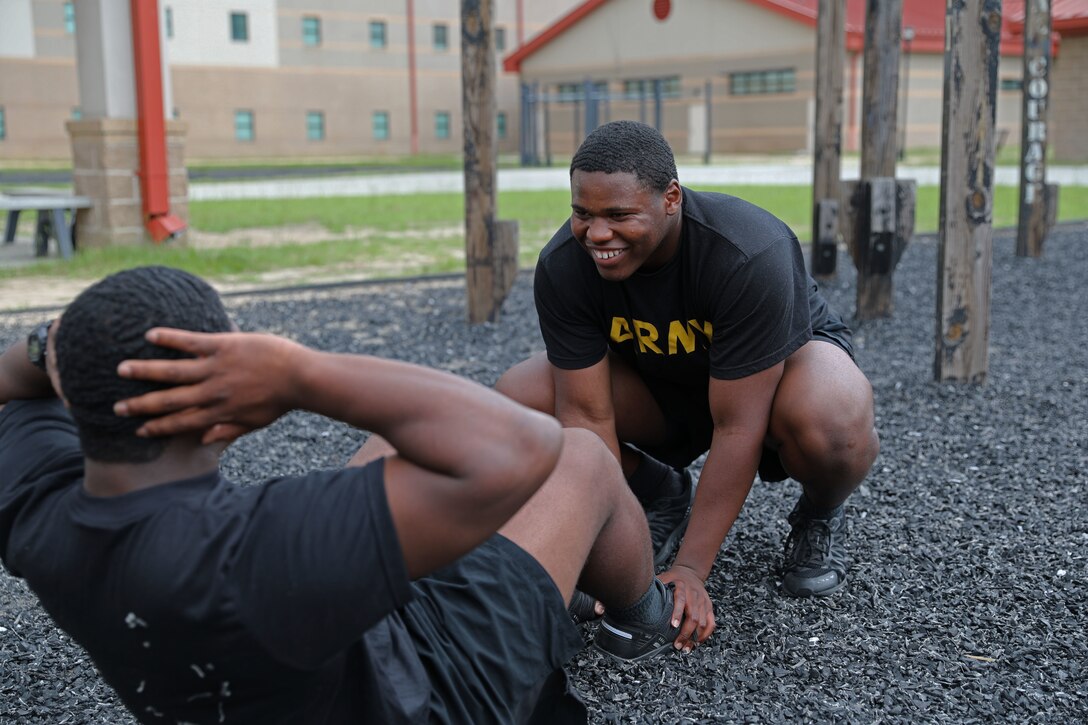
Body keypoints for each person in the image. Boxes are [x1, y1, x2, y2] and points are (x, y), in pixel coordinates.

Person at [0, 266, 701, 725]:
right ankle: (637, 617)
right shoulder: (256, 547)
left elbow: (10, 384)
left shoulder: (41, 510)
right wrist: (300, 374)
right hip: (431, 693)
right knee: (580, 459)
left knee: (404, 441)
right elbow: (524, 448)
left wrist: (52, 342)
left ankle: (574, 583)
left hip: (298, 659)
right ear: (218, 411)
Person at [495, 120, 879, 642]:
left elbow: (739, 426)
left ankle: (818, 512)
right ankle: (657, 490)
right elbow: (586, 418)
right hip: (664, 389)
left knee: (832, 415)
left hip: (770, 391)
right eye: (582, 213)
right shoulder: (565, 266)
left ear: (671, 198)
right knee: (521, 398)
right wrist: (602, 558)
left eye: (619, 215)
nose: (596, 234)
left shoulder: (748, 252)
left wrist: (692, 570)